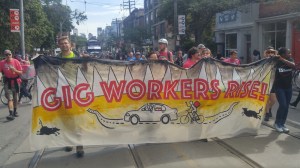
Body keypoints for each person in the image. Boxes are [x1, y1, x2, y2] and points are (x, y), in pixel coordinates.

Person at [57, 36, 85, 157]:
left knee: (77, 119)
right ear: (59, 46)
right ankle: (69, 141)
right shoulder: (55, 59)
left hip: (76, 92)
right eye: (62, 43)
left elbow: (86, 71)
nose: (64, 45)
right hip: (62, 92)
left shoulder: (78, 57)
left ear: (70, 45)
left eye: (66, 43)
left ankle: (79, 145)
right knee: (66, 119)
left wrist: (86, 62)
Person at [273, 47, 295, 133]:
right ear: (282, 54)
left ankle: (282, 124)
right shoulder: (276, 62)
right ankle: (277, 123)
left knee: (286, 107)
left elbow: (293, 65)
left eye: (289, 53)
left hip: (288, 87)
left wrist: (283, 59)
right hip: (279, 87)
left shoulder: (290, 59)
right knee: (283, 105)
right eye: (288, 53)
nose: (290, 54)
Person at [0, 50, 23, 120]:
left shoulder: (16, 61)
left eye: (9, 54)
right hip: (7, 82)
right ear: (4, 56)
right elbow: (0, 71)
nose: (8, 56)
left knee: (15, 98)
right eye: (6, 55)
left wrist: (14, 70)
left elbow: (21, 73)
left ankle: (15, 111)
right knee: (9, 98)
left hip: (15, 81)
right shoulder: (2, 63)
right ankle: (11, 113)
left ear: (11, 54)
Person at [263, 47, 277, 121]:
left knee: (273, 100)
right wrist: (265, 55)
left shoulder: (276, 61)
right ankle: (267, 113)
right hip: (266, 83)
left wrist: (275, 53)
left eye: (272, 52)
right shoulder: (264, 61)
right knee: (267, 99)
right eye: (268, 52)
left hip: (274, 83)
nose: (270, 54)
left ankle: (269, 108)